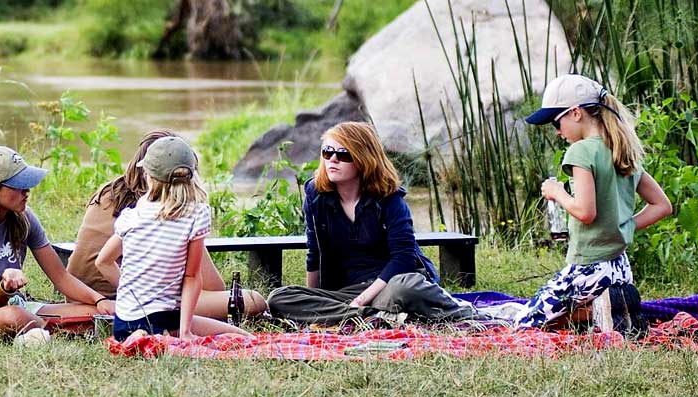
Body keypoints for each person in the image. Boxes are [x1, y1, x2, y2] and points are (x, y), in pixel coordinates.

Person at [267, 122, 476, 326]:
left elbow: (404, 259)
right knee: (279, 298)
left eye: (343, 154)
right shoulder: (316, 195)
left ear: (362, 158)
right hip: (348, 290)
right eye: (327, 152)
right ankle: (371, 316)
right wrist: (316, 297)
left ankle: (363, 313)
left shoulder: (389, 198)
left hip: (390, 285)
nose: (333, 159)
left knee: (406, 290)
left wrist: (361, 299)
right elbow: (314, 254)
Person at [515, 74, 672, 328]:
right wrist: (626, 226)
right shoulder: (623, 148)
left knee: (525, 321)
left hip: (588, 270)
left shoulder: (581, 151)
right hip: (621, 270)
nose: (557, 132)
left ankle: (597, 310)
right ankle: (612, 304)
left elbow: (586, 212)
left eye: (557, 122)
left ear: (576, 113)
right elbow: (663, 206)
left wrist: (557, 192)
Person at [67, 130, 267, 320]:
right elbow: (214, 287)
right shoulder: (161, 209)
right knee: (251, 300)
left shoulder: (109, 191)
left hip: (78, 294)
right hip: (126, 301)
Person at [0, 146, 116, 345]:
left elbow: (61, 277)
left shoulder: (24, 217)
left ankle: (38, 331)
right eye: (18, 185)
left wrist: (100, 300)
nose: (27, 191)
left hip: (19, 305)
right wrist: (5, 288)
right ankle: (49, 331)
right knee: (15, 317)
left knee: (98, 313)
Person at [95, 136, 249, 341]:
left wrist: (132, 294)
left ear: (149, 177)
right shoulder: (196, 216)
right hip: (165, 318)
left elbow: (102, 262)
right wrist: (186, 332)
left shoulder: (132, 217)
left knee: (150, 330)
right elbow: (192, 277)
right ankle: (160, 335)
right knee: (240, 336)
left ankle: (142, 337)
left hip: (123, 322)